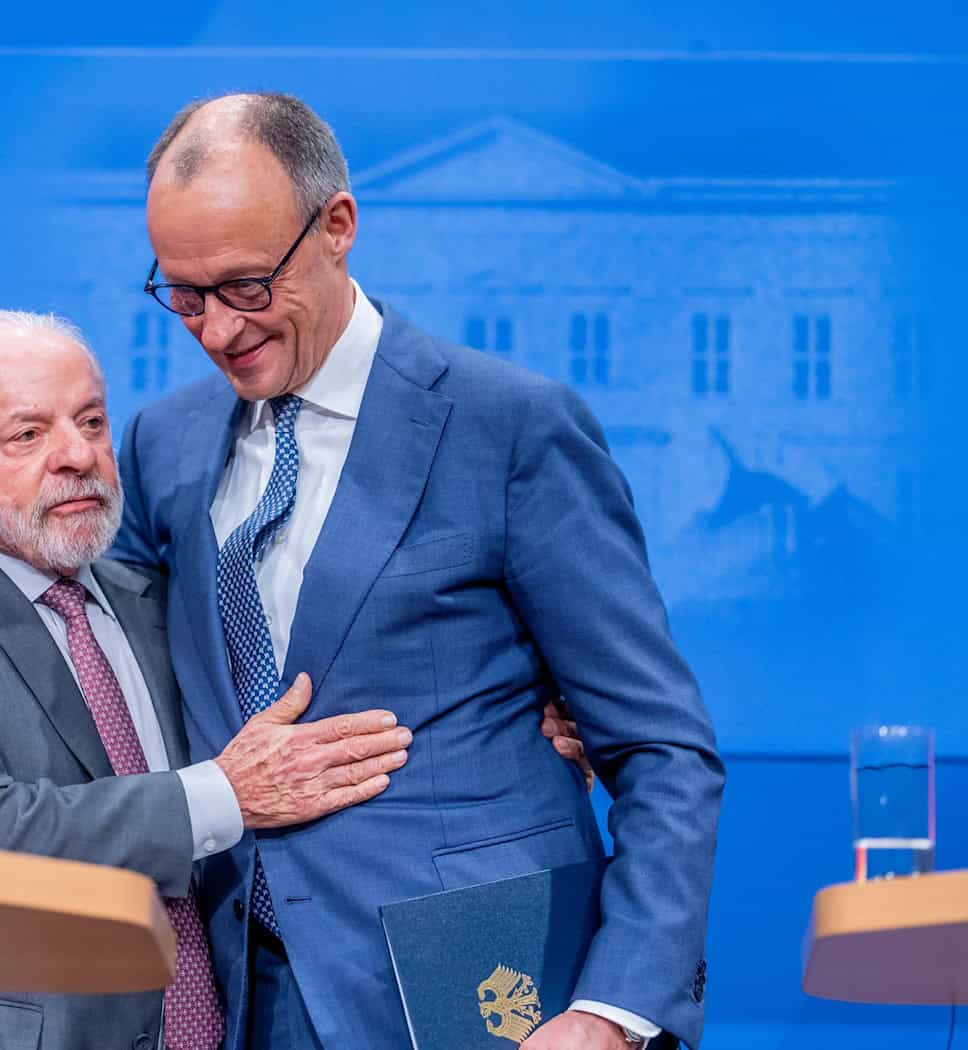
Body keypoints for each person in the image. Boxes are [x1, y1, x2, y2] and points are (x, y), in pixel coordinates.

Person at [111, 92, 725, 1050]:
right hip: (242, 992)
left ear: (338, 227)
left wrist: (614, 1012)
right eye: (183, 296)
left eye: (245, 288)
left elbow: (661, 749)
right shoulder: (164, 443)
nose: (217, 331)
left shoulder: (508, 428)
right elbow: (88, 654)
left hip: (478, 990)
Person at [0, 310, 589, 1050]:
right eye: (28, 434)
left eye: (90, 421)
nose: (79, 455)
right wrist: (225, 794)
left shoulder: (162, 596)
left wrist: (532, 709)